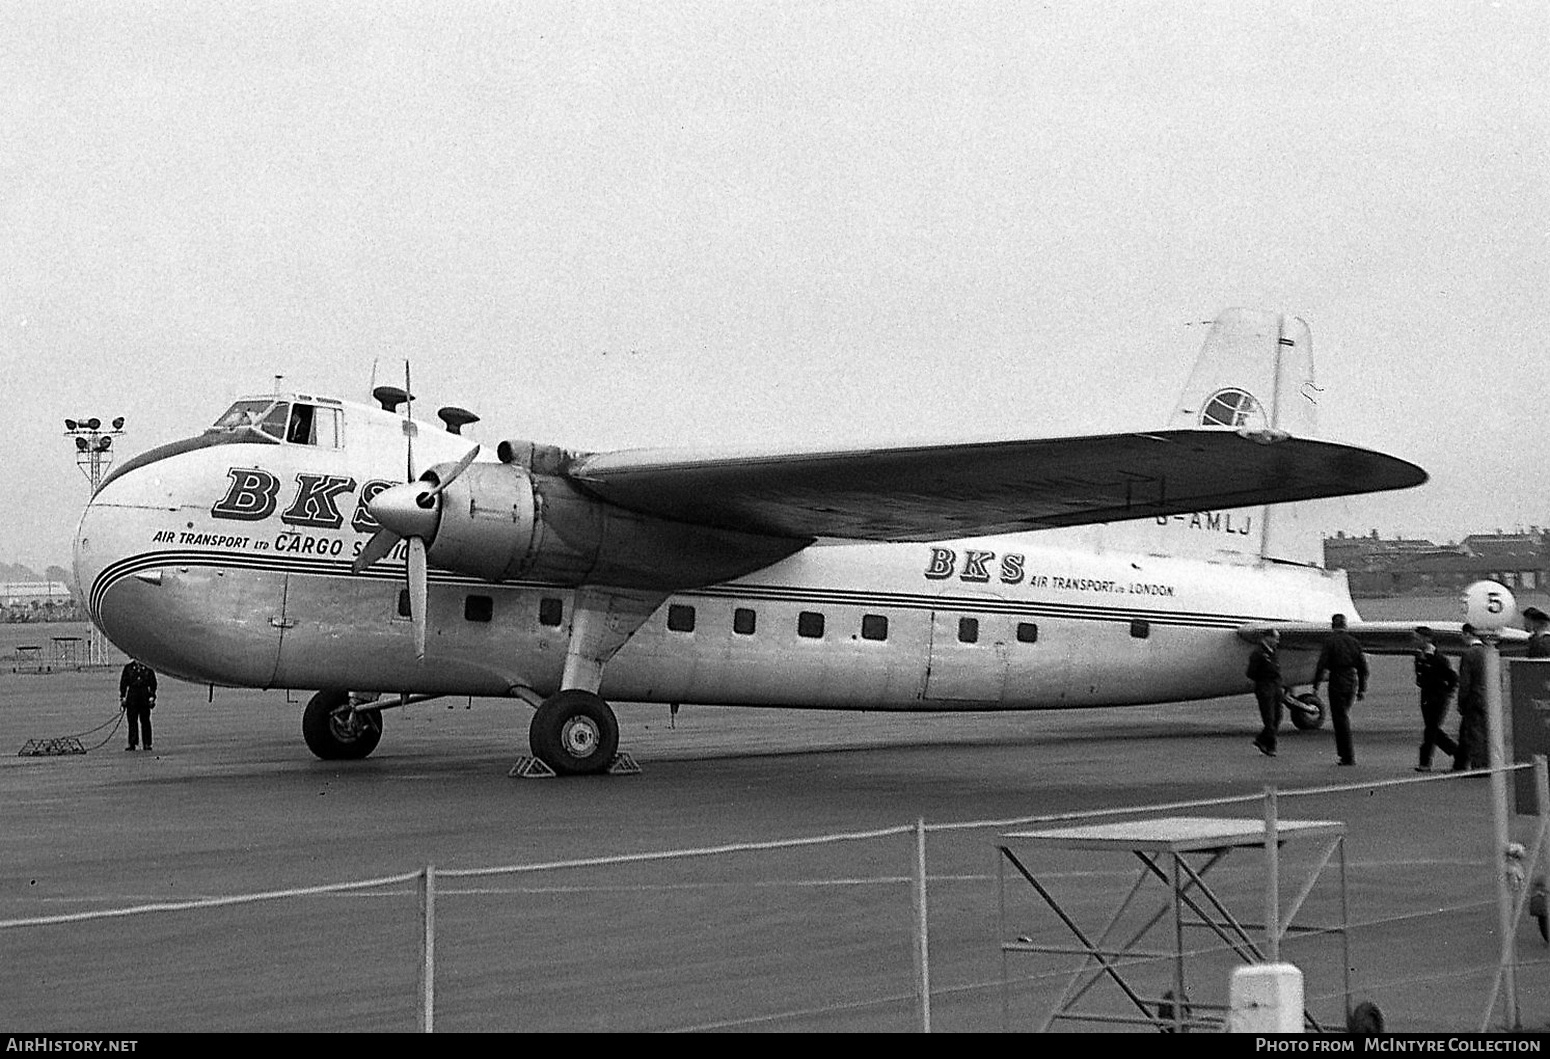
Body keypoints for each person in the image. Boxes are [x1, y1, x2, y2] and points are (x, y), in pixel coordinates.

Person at [1312, 613, 1367, 766]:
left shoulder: (1330, 642)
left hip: (1337, 679)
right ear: (1345, 625)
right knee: (1343, 715)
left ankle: (1347, 755)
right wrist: (1362, 688)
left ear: (1332, 625)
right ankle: (1346, 754)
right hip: (1351, 680)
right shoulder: (1354, 642)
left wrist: (1316, 684)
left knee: (1340, 718)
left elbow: (1322, 664)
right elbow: (1363, 667)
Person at [1411, 627, 1459, 771]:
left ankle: (1425, 763)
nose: (1415, 641)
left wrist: (1448, 692)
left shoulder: (1439, 658)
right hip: (1426, 696)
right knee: (1433, 730)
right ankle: (1458, 752)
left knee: (1431, 731)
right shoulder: (1419, 656)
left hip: (1438, 698)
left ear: (1427, 639)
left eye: (1417, 638)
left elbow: (1452, 677)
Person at [1453, 623, 1489, 771]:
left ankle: (1479, 765)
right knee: (1483, 732)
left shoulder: (1469, 654)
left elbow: (1465, 682)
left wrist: (1461, 702)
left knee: (1475, 733)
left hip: (1474, 699)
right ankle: (1461, 764)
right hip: (1487, 698)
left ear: (1468, 634)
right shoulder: (1489, 652)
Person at [1245, 629, 1282, 757]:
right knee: (1269, 719)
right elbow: (1251, 672)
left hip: (1275, 687)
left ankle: (1261, 740)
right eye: (1276, 639)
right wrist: (1261, 681)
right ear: (1268, 638)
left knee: (1278, 716)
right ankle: (1271, 746)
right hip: (1265, 687)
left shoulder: (1273, 652)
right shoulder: (1258, 653)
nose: (1277, 642)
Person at [119, 658, 157, 752]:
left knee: (145, 720)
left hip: (144, 694)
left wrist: (152, 696)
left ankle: (147, 743)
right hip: (132, 694)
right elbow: (123, 683)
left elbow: (153, 683)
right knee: (132, 720)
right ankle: (132, 743)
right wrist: (123, 697)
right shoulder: (128, 668)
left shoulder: (148, 668)